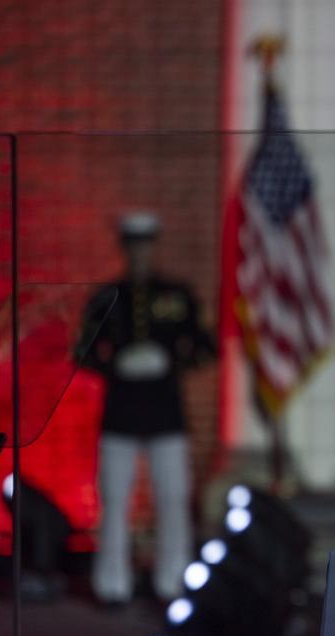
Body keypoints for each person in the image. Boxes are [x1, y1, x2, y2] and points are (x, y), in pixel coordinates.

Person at [77, 211, 216, 604]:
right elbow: (82, 350)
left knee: (172, 499)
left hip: (165, 411)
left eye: (145, 245)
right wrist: (114, 366)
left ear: (153, 247)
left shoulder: (177, 294)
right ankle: (112, 584)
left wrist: (171, 364)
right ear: (125, 248)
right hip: (120, 412)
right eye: (132, 245)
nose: (139, 252)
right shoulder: (106, 297)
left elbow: (205, 346)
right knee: (114, 501)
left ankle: (173, 581)